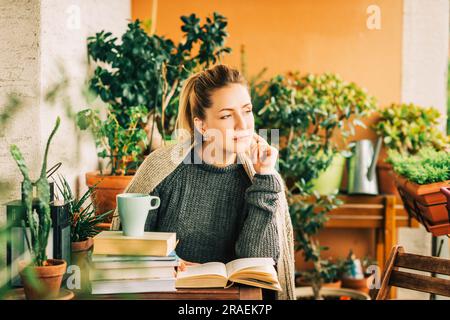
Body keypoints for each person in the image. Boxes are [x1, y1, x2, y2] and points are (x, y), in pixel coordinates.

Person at [111, 64, 295, 300]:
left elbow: (257, 267)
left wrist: (265, 178)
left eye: (247, 111)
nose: (243, 124)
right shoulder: (162, 168)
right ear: (202, 125)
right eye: (227, 115)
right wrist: (166, 261)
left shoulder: (260, 177)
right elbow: (127, 243)